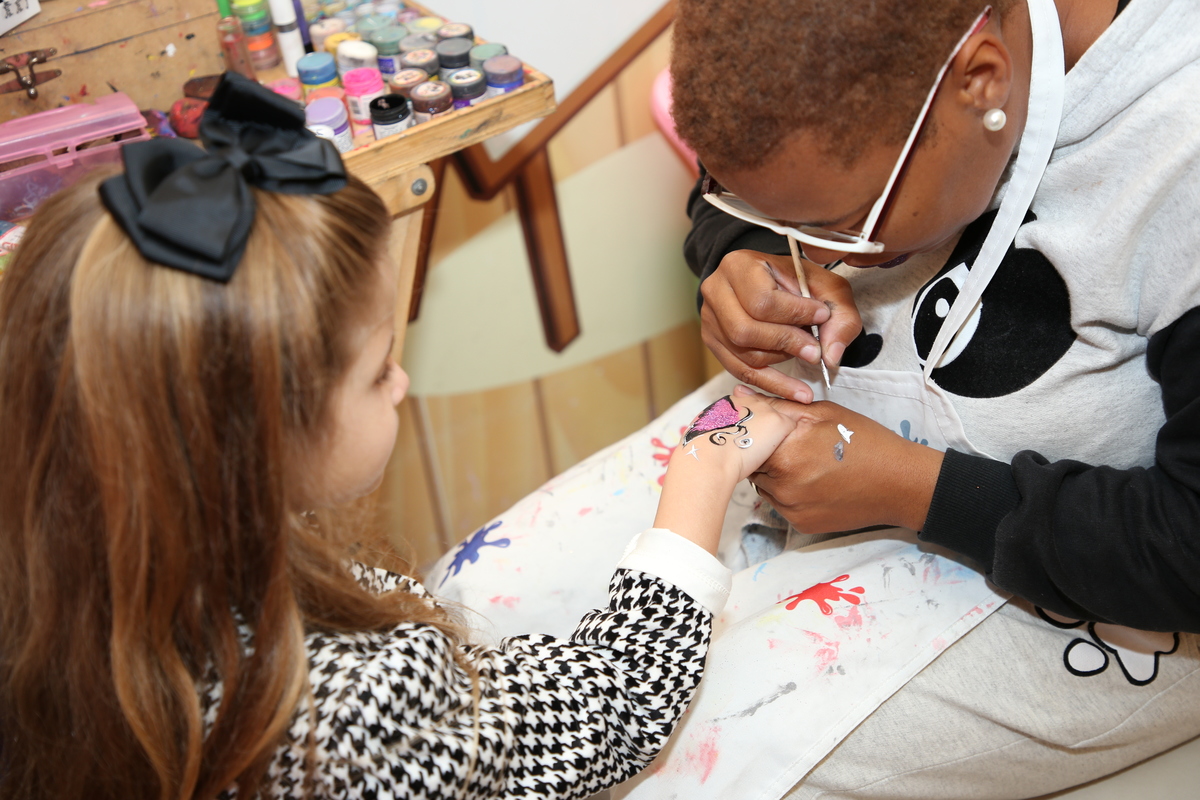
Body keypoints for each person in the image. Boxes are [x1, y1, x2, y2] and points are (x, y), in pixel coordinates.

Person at [0, 73, 799, 800]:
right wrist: (700, 480)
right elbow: (605, 709)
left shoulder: (60, 583)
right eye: (379, 368)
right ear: (258, 444)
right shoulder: (343, 717)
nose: (402, 381)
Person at [669, 0, 1200, 796]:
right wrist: (739, 253)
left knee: (706, 773)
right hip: (877, 484)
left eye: (841, 224)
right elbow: (750, 158)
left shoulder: (1179, 139)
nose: (811, 254)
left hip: (1114, 577)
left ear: (982, 81)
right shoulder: (851, 82)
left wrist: (914, 488)